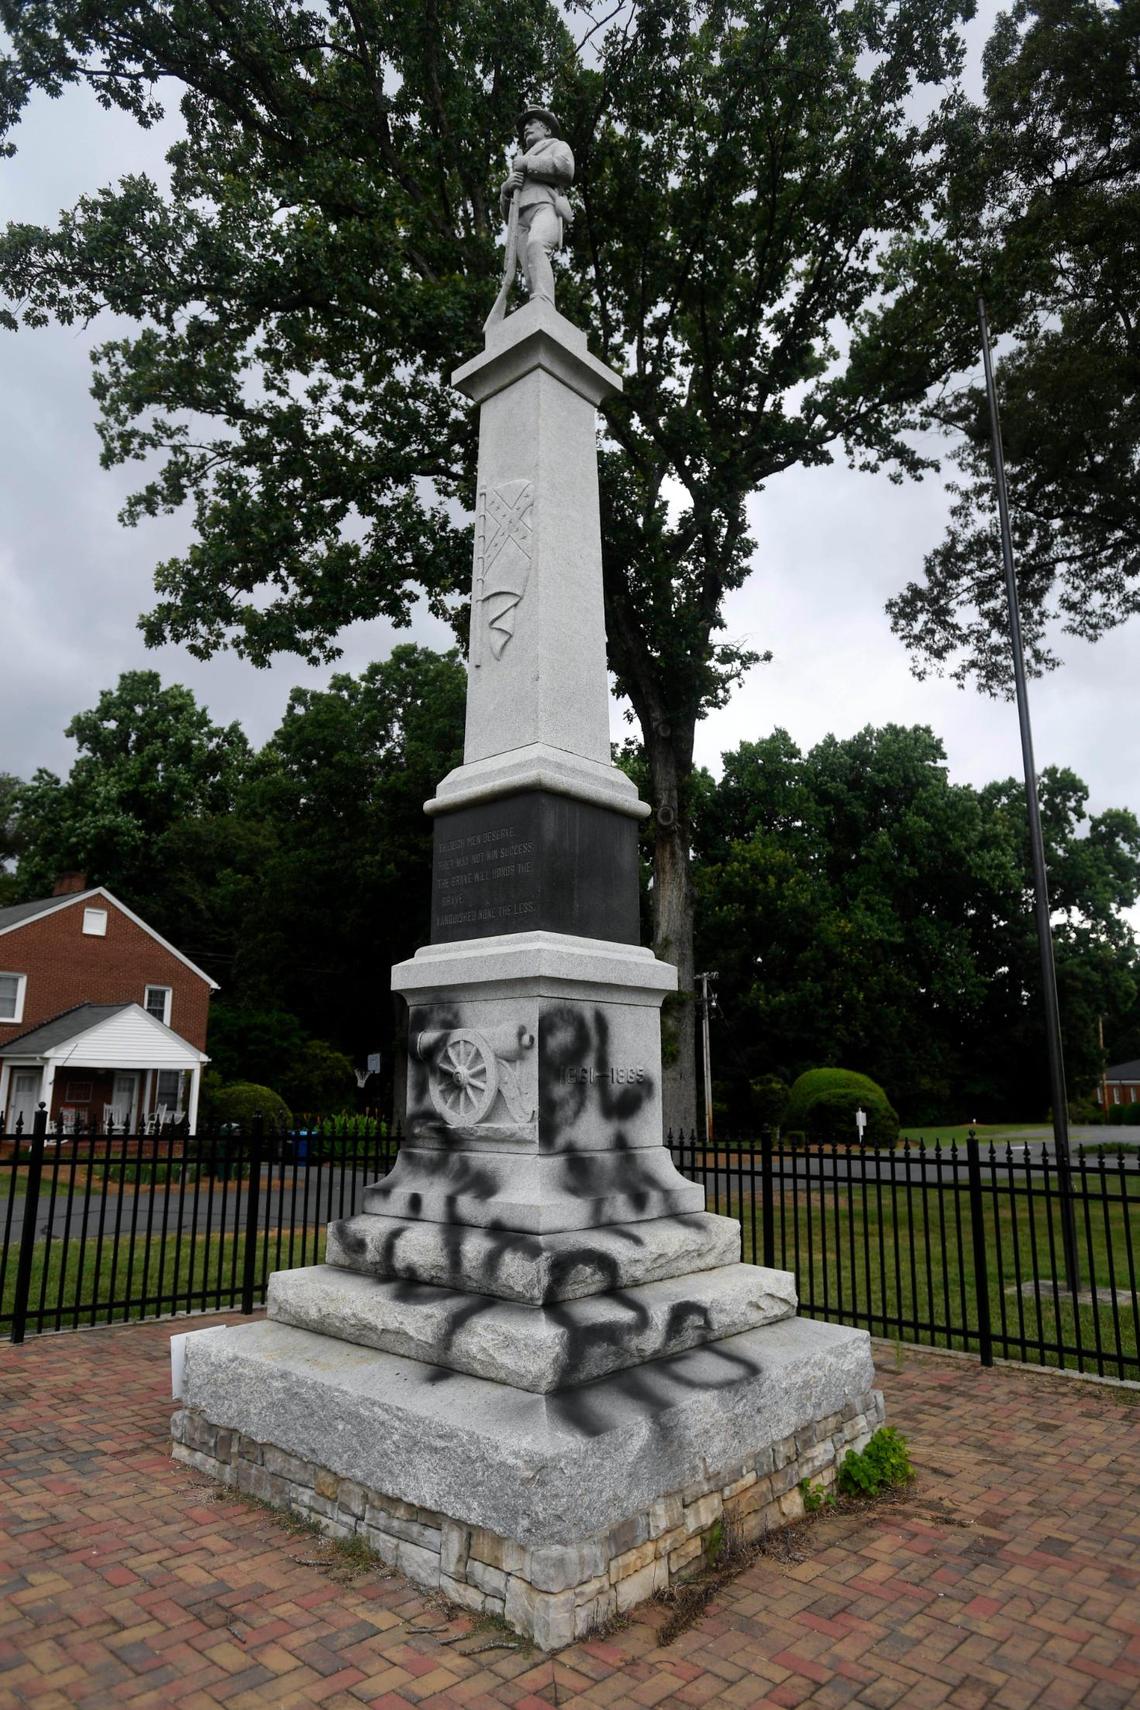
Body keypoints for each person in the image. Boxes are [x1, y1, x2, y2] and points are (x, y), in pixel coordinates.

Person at [499, 107, 574, 306]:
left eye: (531, 123)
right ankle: (536, 301)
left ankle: (544, 300)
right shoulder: (519, 162)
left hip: (545, 206)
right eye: (524, 126)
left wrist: (528, 163)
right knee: (529, 267)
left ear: (546, 129)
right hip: (520, 219)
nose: (526, 128)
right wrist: (506, 189)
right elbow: (507, 213)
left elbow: (565, 169)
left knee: (537, 245)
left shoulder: (556, 146)